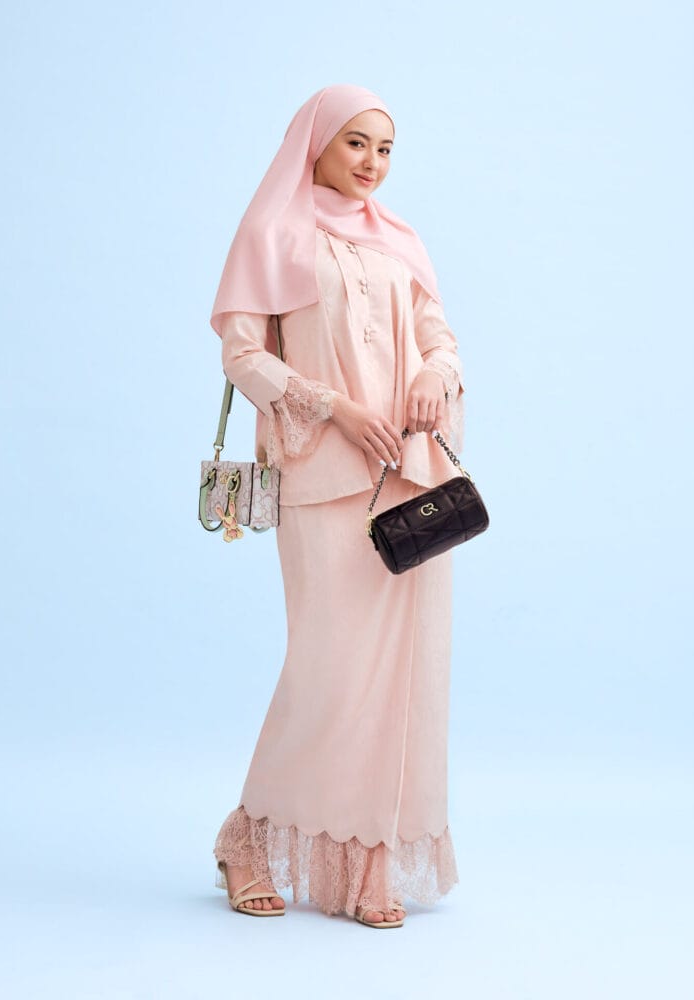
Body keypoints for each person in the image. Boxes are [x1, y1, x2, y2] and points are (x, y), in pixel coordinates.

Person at [209, 84, 466, 928]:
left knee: (406, 680)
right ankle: (247, 840)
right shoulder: (272, 233)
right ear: (314, 142)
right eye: (356, 142)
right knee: (327, 672)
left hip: (410, 480)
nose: (372, 163)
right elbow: (243, 356)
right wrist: (336, 408)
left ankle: (370, 863)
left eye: (386, 149)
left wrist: (432, 376)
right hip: (323, 478)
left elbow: (439, 338)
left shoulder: (397, 240)